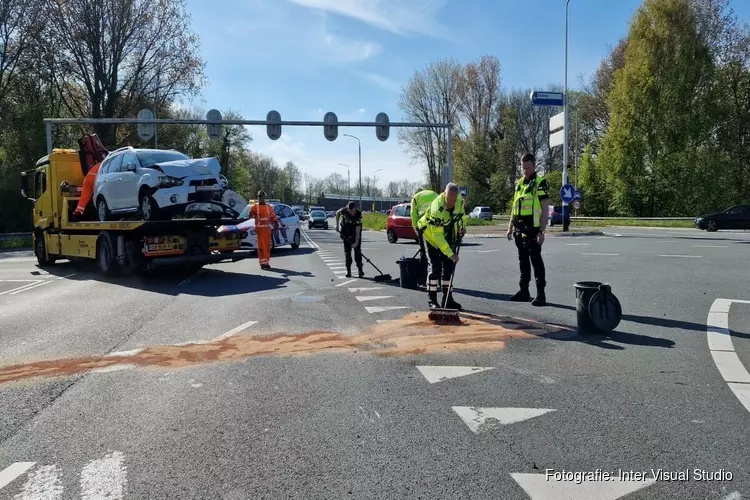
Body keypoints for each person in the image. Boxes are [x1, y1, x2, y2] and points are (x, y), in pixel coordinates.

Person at [506, 153, 550, 306]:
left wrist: (542, 231)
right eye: (523, 168)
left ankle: (540, 294)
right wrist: (510, 227)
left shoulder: (540, 183)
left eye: (528, 167)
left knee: (536, 261)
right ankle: (524, 291)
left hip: (533, 229)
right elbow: (514, 206)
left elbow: (545, 210)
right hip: (519, 229)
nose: (525, 170)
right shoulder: (519, 183)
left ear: (534, 166)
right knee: (523, 261)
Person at [417, 183, 466, 309]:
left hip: (447, 233)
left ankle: (447, 299)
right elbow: (438, 237)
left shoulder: (459, 201)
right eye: (449, 200)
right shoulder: (437, 207)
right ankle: (432, 300)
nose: (451, 203)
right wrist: (451, 254)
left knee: (449, 268)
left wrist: (462, 227)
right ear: (444, 194)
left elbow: (461, 216)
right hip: (431, 235)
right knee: (435, 268)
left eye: (453, 200)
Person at [251, 191, 284, 270]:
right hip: (259, 230)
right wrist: (251, 214)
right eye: (259, 197)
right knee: (261, 247)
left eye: (261, 196)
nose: (260, 198)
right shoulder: (254, 207)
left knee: (267, 246)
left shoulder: (268, 207)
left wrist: (275, 223)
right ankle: (263, 263)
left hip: (266, 230)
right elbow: (250, 215)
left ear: (263, 197)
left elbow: (273, 216)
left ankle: (266, 261)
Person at [335, 201, 364, 278]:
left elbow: (358, 230)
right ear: (348, 209)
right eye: (351, 211)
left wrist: (356, 243)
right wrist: (337, 225)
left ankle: (360, 270)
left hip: (355, 234)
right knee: (347, 254)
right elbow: (337, 213)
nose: (352, 213)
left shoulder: (358, 215)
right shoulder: (344, 211)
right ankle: (348, 271)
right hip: (345, 234)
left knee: (358, 253)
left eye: (354, 211)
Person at [410, 188, 438, 259]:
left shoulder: (415, 198)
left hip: (424, 223)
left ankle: (426, 266)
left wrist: (418, 235)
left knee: (425, 252)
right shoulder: (434, 194)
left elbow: (414, 218)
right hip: (437, 222)